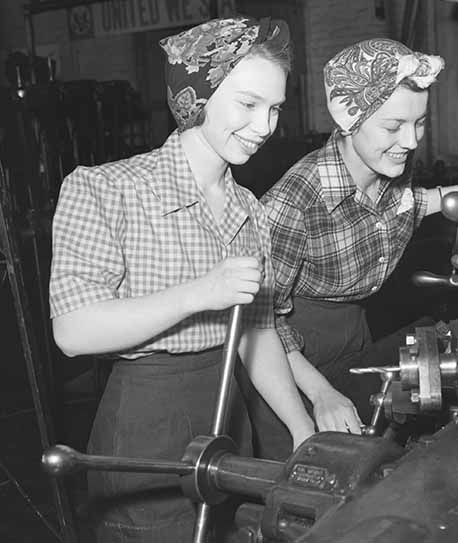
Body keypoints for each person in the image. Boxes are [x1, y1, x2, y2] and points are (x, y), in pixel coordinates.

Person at [49, 17, 315, 543]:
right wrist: (198, 294)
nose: (265, 126)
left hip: (225, 414)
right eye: (247, 104)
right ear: (197, 98)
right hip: (146, 427)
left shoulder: (248, 209)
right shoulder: (106, 190)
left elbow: (256, 335)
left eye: (275, 108)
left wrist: (300, 426)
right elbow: (73, 331)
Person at [243, 38, 458, 461]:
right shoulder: (295, 201)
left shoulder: (387, 169)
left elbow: (409, 205)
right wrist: (320, 395)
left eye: (420, 123)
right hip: (291, 361)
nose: (410, 141)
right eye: (393, 127)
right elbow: (260, 327)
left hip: (354, 338)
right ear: (350, 121)